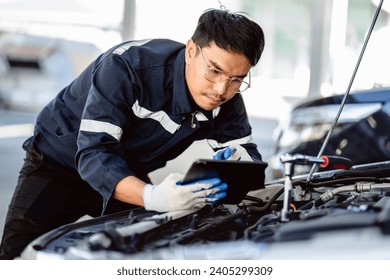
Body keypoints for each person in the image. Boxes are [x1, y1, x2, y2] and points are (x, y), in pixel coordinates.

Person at [0, 7, 265, 259]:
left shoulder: (227, 97)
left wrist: (241, 165)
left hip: (127, 168)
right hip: (59, 160)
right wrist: (152, 196)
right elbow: (94, 153)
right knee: (16, 256)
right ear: (191, 51)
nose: (221, 89)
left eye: (237, 79)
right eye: (215, 71)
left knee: (145, 246)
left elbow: (247, 155)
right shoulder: (127, 67)